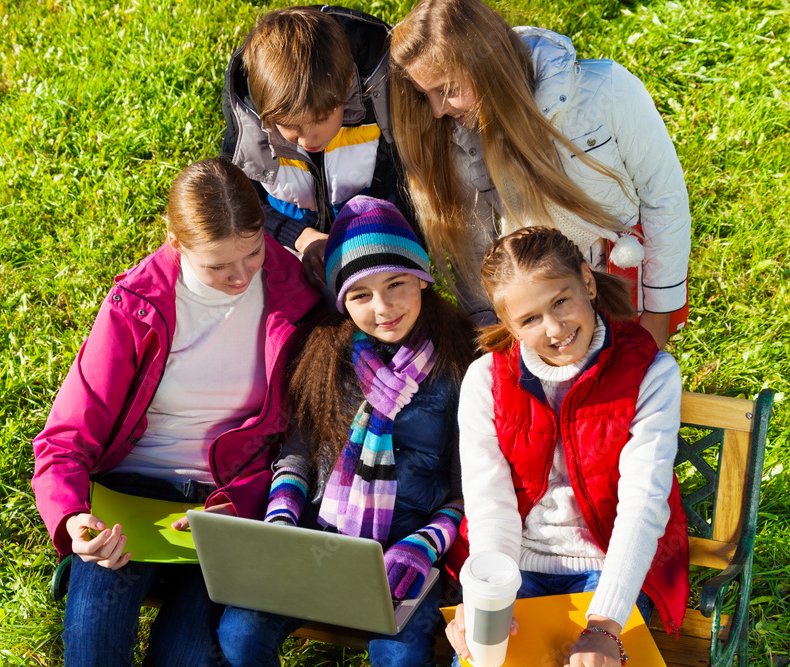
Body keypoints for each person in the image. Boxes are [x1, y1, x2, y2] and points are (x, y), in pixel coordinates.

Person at [31, 158, 321, 666]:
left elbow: (297, 433)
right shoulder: (135, 305)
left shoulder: (296, 293)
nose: (238, 277)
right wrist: (74, 520)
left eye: (252, 254)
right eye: (216, 266)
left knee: (183, 657)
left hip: (227, 503)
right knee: (93, 652)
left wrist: (242, 502)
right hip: (130, 499)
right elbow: (66, 437)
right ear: (175, 241)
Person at [217, 196, 477, 667]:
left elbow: (468, 489)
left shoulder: (461, 366)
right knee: (239, 632)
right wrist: (282, 522)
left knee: (399, 657)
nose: (383, 307)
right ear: (342, 301)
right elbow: (297, 453)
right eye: (361, 295)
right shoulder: (325, 358)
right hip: (323, 539)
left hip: (407, 554)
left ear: (422, 279)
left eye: (397, 284)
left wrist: (423, 546)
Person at [446, 226, 689, 667]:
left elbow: (643, 505)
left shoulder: (650, 373)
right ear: (508, 324)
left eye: (561, 301)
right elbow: (490, 505)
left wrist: (605, 626)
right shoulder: (485, 380)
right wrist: (489, 595)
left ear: (588, 281)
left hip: (610, 565)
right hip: (517, 563)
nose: (555, 328)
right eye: (530, 319)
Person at [389, 0, 691, 348]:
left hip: (626, 289)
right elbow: (476, 254)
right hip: (541, 322)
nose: (438, 109)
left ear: (488, 64)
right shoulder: (460, 138)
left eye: (448, 89)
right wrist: (498, 338)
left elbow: (664, 199)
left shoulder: (606, 90)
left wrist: (658, 312)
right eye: (425, 94)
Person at [221, 6, 410, 287]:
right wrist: (299, 236)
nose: (309, 142)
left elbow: (403, 191)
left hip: (373, 245)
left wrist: (373, 244)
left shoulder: (379, 114)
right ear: (264, 111)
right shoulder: (252, 134)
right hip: (287, 250)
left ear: (347, 87)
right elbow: (238, 198)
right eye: (291, 128)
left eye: (322, 119)